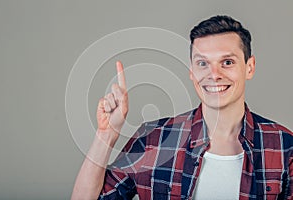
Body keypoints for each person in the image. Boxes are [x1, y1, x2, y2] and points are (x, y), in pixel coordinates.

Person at [71, 15, 293, 200]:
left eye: (227, 62)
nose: (214, 75)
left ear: (249, 67)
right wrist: (106, 135)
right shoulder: (153, 139)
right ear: (191, 72)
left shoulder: (285, 146)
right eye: (202, 63)